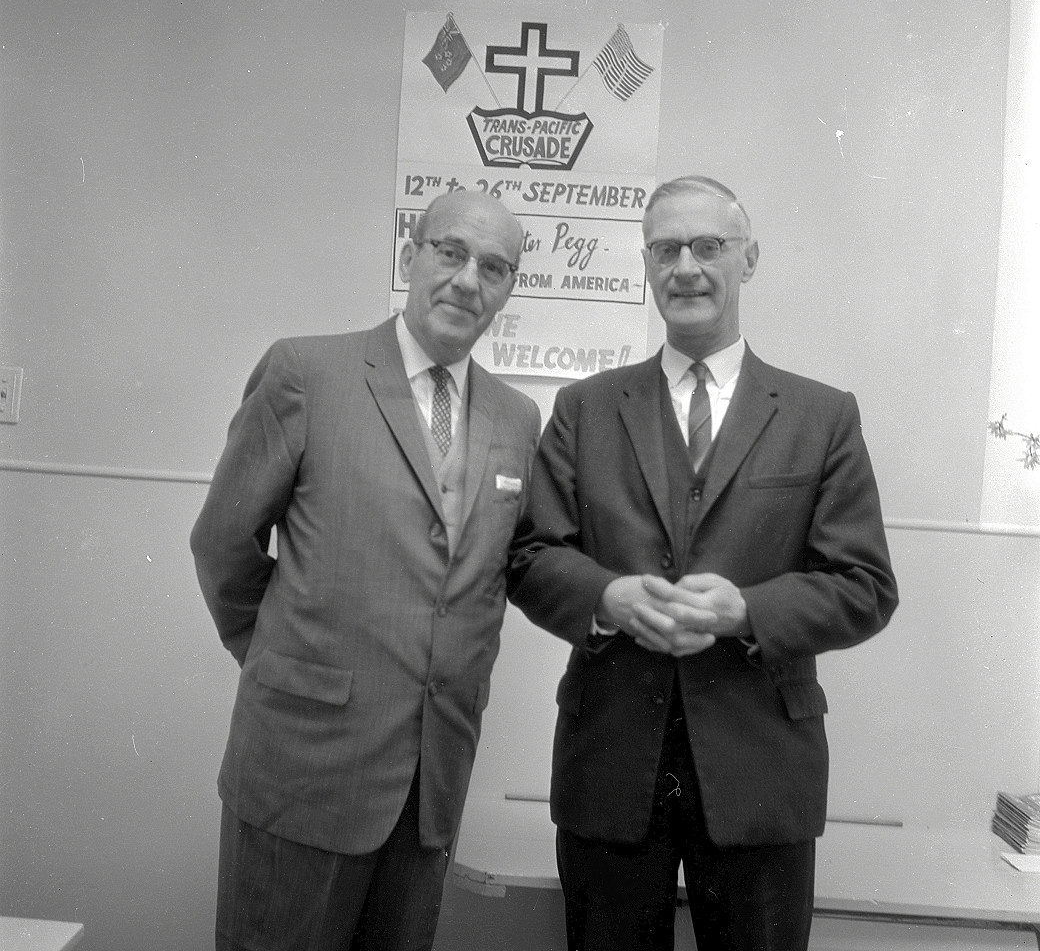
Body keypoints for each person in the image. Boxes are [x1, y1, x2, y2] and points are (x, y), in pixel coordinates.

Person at [190, 190, 590, 951]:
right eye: (451, 252)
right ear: (410, 256)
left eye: (494, 267)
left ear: (510, 288)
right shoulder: (306, 371)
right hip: (303, 764)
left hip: (430, 784)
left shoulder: (516, 417)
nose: (468, 280)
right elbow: (222, 543)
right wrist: (281, 660)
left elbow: (505, 566)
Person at [507, 175, 899, 951]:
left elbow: (865, 585)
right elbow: (529, 556)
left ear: (748, 259)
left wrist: (748, 611)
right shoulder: (584, 409)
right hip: (610, 765)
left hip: (761, 772)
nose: (685, 266)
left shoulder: (822, 416)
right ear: (647, 266)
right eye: (666, 249)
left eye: (708, 246)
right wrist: (608, 597)